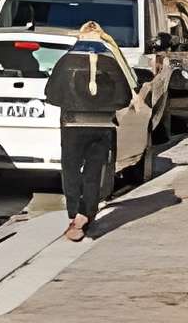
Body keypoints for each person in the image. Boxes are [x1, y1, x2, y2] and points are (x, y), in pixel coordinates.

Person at [44, 22, 128, 241]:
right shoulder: (112, 60)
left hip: (72, 125)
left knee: (70, 169)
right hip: (103, 126)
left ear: (80, 37)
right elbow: (125, 97)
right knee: (93, 172)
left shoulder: (66, 60)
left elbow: (51, 94)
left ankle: (74, 212)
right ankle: (85, 213)